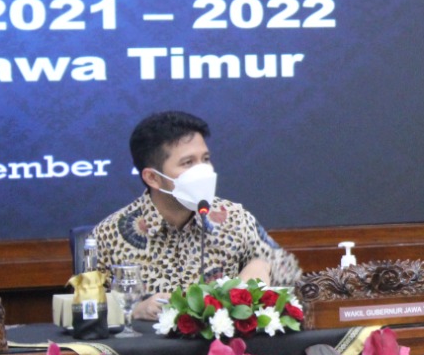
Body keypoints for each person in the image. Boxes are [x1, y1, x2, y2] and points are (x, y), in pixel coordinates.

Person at [92, 111, 301, 321]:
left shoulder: (235, 219)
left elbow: (295, 279)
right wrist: (134, 310)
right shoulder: (110, 234)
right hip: (148, 342)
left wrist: (264, 266)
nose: (203, 171)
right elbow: (85, 310)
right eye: (188, 163)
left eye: (205, 159)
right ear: (153, 178)